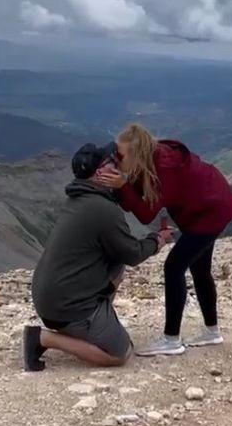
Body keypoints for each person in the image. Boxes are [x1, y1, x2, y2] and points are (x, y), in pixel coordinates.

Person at [23, 141, 174, 371]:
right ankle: (43, 338)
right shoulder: (102, 209)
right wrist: (158, 240)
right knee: (120, 353)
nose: (117, 165)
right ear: (100, 173)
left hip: (51, 297)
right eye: (111, 162)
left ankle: (98, 322)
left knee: (116, 264)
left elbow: (119, 253)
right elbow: (132, 253)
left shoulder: (78, 200)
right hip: (67, 306)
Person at [94, 122, 232, 356]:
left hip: (211, 213)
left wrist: (122, 186)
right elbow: (138, 199)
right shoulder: (152, 158)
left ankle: (172, 339)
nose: (117, 160)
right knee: (200, 269)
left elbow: (145, 213)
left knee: (174, 267)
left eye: (120, 156)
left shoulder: (165, 169)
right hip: (212, 206)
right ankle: (212, 332)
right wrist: (123, 185)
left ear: (136, 154)